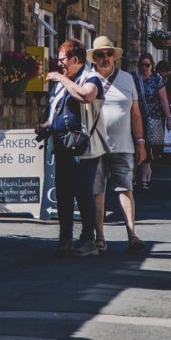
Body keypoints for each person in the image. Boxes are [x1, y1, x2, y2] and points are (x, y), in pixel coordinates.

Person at [39, 38, 105, 257]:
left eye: (62, 60)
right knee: (64, 192)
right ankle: (65, 238)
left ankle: (88, 240)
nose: (59, 64)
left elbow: (85, 96)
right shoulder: (64, 81)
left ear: (75, 60)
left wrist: (61, 78)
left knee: (83, 191)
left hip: (85, 146)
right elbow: (57, 111)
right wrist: (46, 125)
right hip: (63, 144)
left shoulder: (92, 78)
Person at [87, 37, 146, 253]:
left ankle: (132, 235)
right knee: (97, 192)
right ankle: (100, 238)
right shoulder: (88, 79)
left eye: (109, 54)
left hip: (123, 145)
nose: (105, 58)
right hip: (96, 146)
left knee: (126, 189)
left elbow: (136, 114)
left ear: (114, 57)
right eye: (100, 54)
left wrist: (140, 142)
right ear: (94, 58)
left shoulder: (127, 79)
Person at [136, 54, 171, 190]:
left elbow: (164, 100)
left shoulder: (157, 79)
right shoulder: (134, 78)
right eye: (142, 65)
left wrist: (168, 119)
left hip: (152, 118)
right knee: (134, 147)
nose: (144, 68)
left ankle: (144, 179)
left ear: (152, 66)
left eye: (147, 65)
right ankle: (132, 178)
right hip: (136, 118)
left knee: (148, 148)